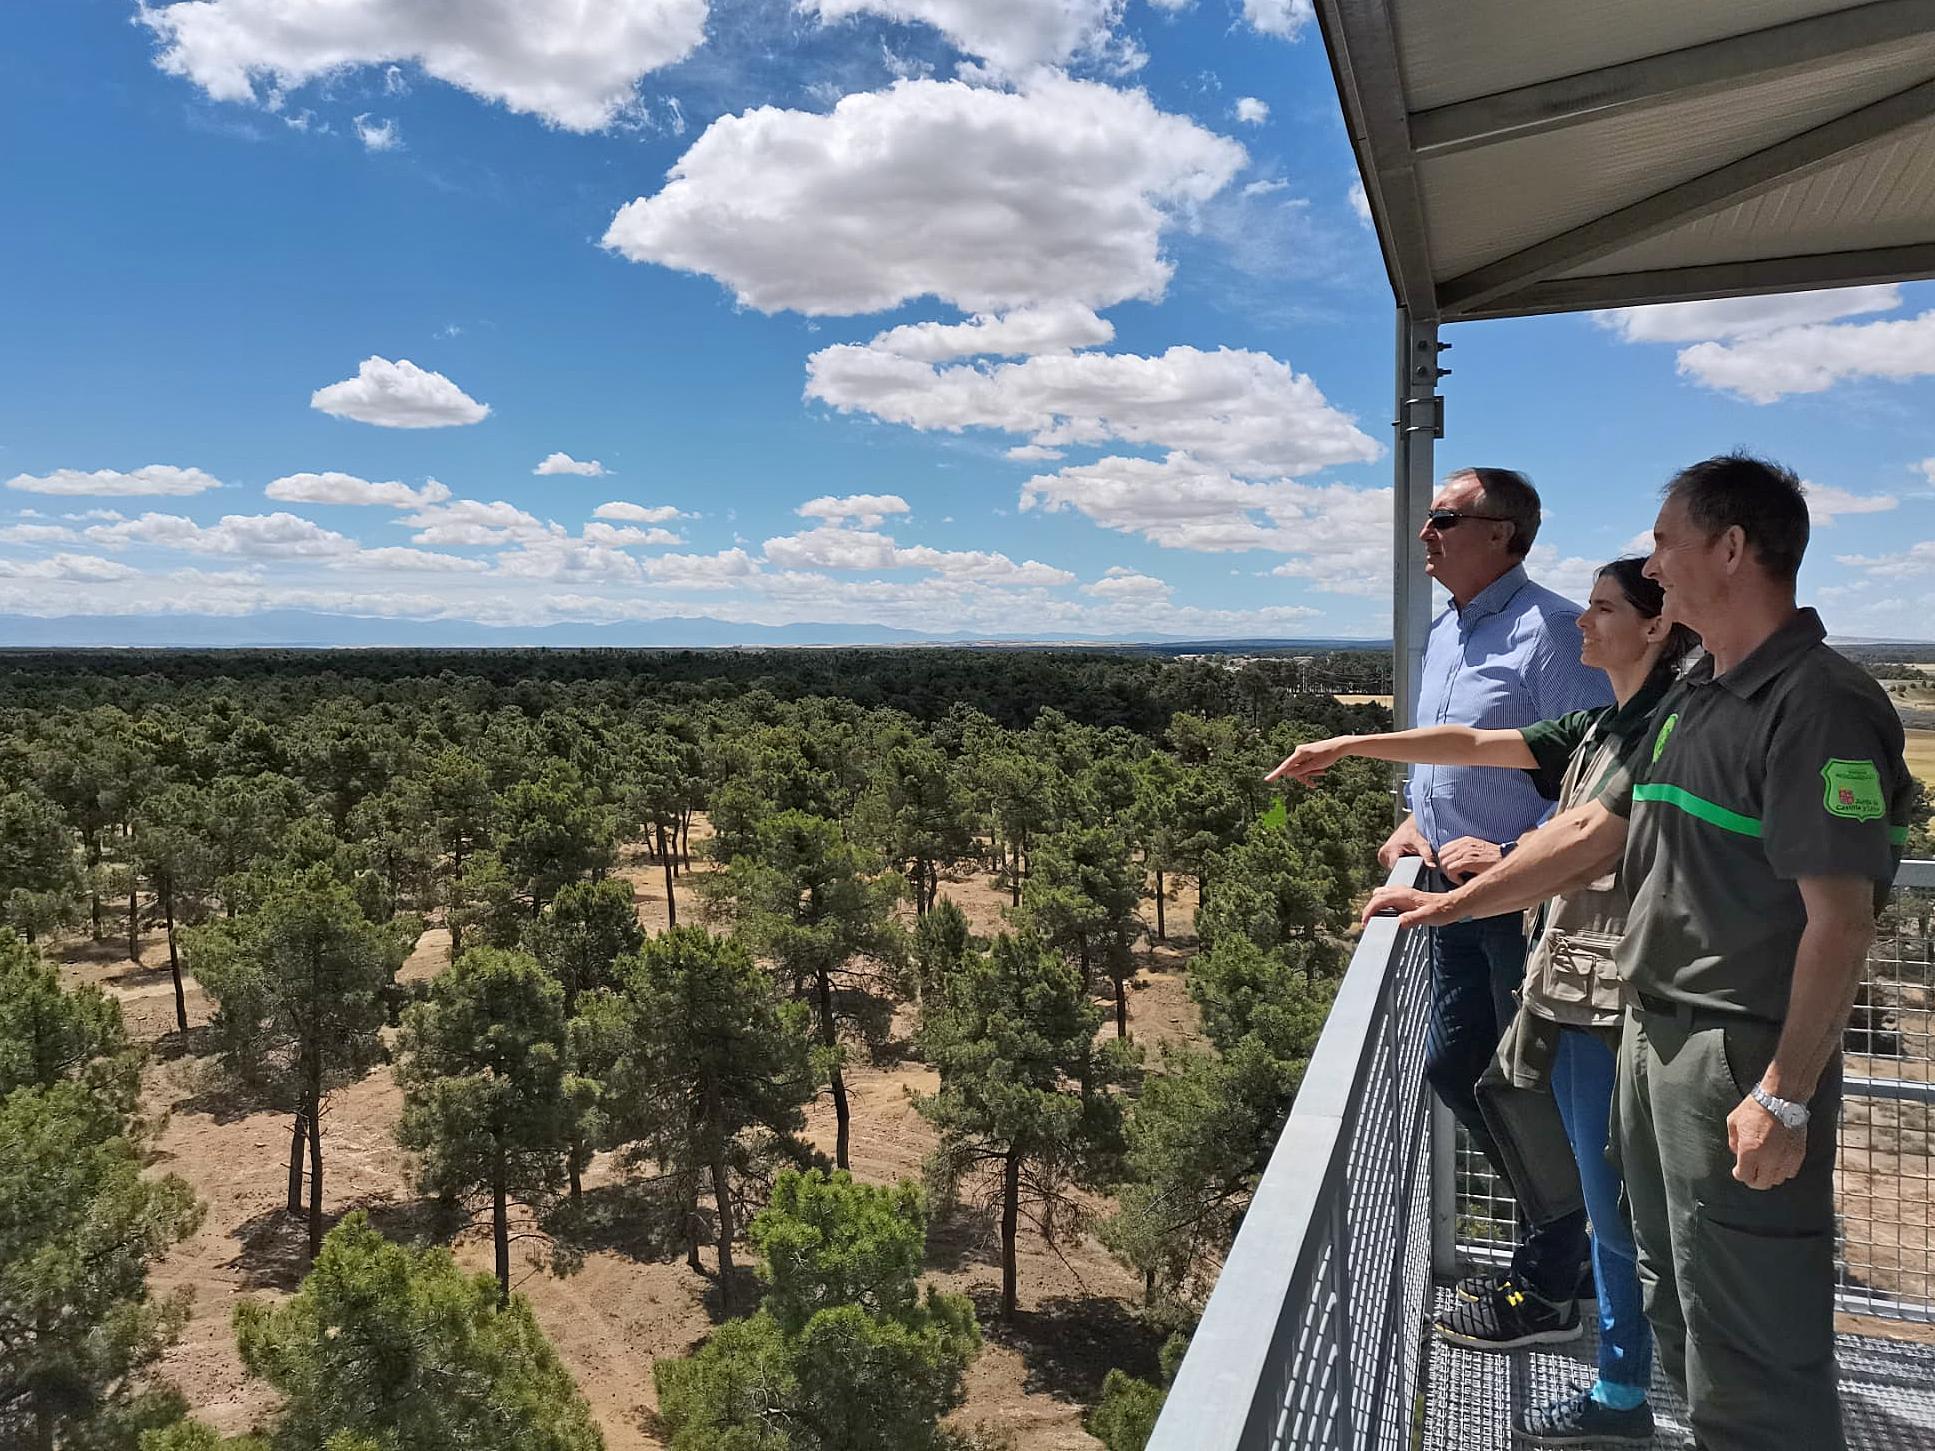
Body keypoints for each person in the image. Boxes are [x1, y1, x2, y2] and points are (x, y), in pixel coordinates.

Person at [1365, 455, 1915, 1451]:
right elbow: (1590, 835)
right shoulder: (1696, 699)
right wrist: (1448, 904)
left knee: (1749, 1331)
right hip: (1648, 1029)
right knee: (1674, 1294)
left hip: (1732, 1051)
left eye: (1665, 541)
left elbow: (1841, 915)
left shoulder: (1816, 703)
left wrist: (1786, 1090)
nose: (1653, 563)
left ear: (1732, 548)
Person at [1273, 558, 1697, 1444]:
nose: (1583, 624)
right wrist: (1349, 748)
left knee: (1613, 1198)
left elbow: (1584, 843)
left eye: (1603, 609)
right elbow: (1469, 744)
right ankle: (1619, 1372)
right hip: (1585, 989)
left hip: (1618, 998)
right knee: (1600, 1186)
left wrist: (1445, 899)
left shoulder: (1662, 727)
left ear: (1655, 628)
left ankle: (1622, 1391)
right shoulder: (1604, 723)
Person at [1365, 467, 1614, 1336]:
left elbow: (1593, 782)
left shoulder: (1548, 631)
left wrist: (1509, 851)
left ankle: (1552, 1279)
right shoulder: (1449, 630)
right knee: (1458, 1068)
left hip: (1517, 899)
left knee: (1520, 1086)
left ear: (1503, 532)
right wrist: (1414, 815)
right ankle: (1563, 1244)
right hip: (1450, 891)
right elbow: (1459, 751)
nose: (1425, 532)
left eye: (1444, 518)